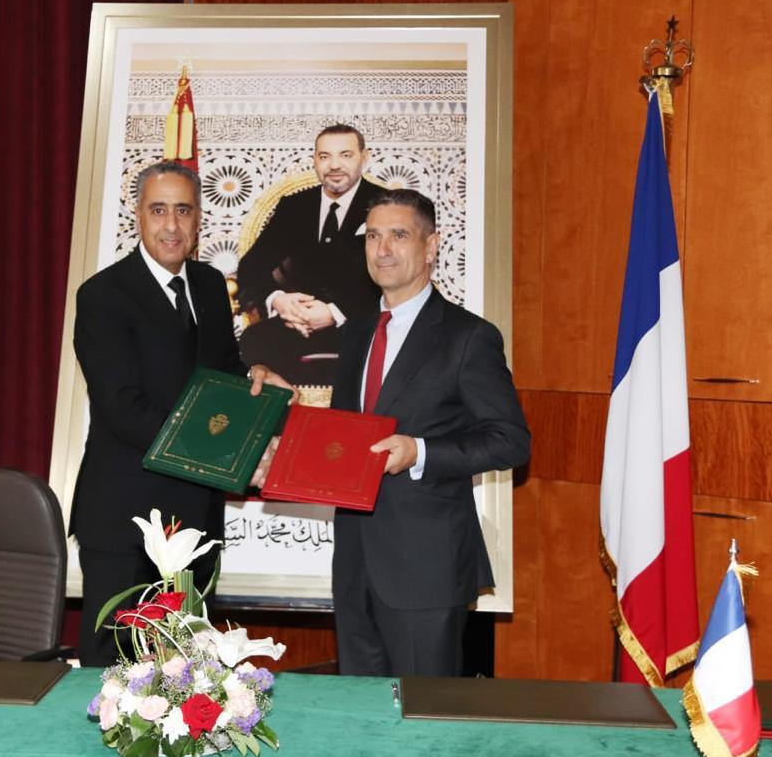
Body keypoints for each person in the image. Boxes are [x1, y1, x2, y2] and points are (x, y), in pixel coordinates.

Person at [70, 160, 290, 666]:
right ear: (138, 215)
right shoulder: (103, 295)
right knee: (115, 674)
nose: (171, 225)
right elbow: (125, 409)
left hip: (195, 518)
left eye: (183, 211)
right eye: (158, 210)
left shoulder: (210, 285)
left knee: (188, 673)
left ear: (199, 219)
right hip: (126, 520)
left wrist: (253, 377)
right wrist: (225, 458)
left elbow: (222, 373)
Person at [330, 188, 530, 677]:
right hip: (354, 563)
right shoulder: (356, 333)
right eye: (373, 236)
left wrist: (419, 452)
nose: (382, 250)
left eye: (399, 235)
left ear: (431, 245)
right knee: (358, 711)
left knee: (423, 712)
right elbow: (346, 434)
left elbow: (511, 440)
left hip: (426, 568)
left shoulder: (468, 336)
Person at [236, 124, 383, 385]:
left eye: (345, 155)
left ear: (364, 157)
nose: (334, 165)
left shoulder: (387, 204)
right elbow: (251, 267)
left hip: (361, 323)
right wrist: (279, 301)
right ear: (314, 160)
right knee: (252, 342)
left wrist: (335, 312)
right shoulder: (294, 206)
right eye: (325, 156)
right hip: (293, 327)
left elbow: (400, 276)